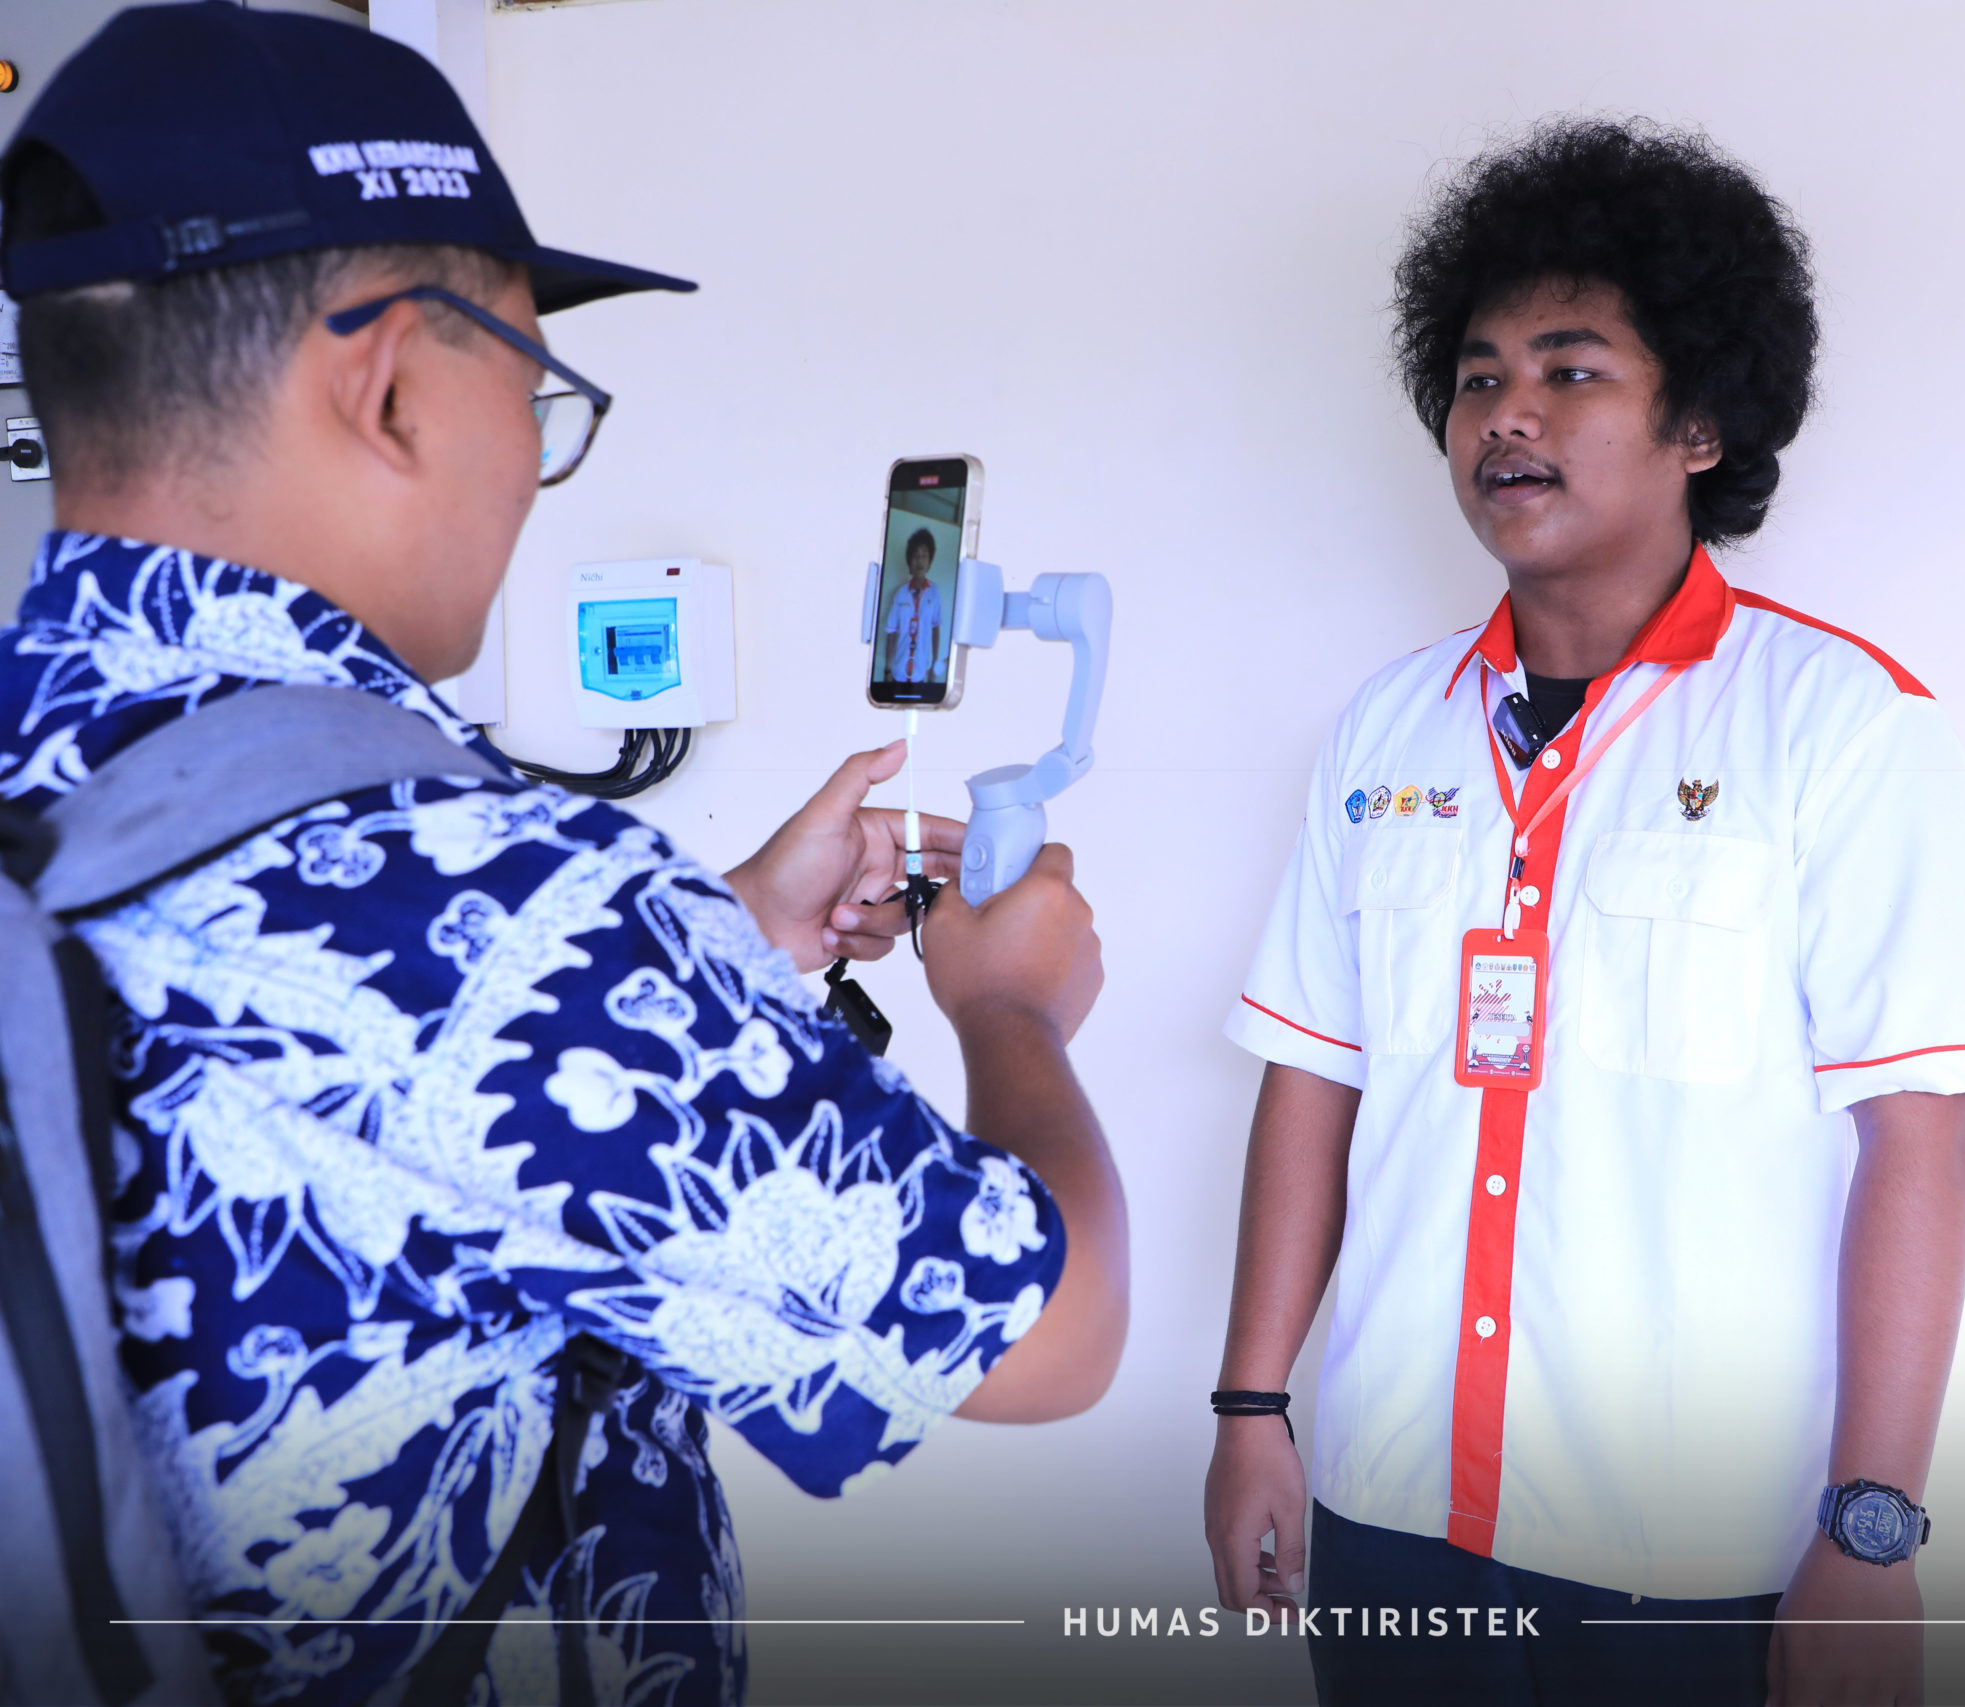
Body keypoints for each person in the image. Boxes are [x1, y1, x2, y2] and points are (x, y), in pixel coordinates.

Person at [0, 8, 1126, 1704]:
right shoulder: (501, 903)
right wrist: (1013, 1006)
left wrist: (720, 935)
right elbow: (1052, 1332)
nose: (536, 462)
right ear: (389, 386)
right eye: (533, 387)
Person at [1203, 118, 1965, 1706]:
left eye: (1569, 370)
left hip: (1693, 1549)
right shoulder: (1387, 730)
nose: (1506, 413)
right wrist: (1252, 1410)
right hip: (1387, 1508)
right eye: (1478, 376)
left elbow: (1922, 1132)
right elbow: (1313, 1077)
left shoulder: (1840, 724)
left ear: (1699, 421)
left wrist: (1872, 1527)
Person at [884, 528, 946, 683]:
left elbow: (935, 629)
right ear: (909, 563)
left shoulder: (934, 592)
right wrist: (887, 670)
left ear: (929, 562)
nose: (920, 561)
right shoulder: (900, 594)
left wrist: (934, 666)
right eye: (916, 556)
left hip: (920, 672)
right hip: (898, 672)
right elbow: (891, 632)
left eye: (924, 556)